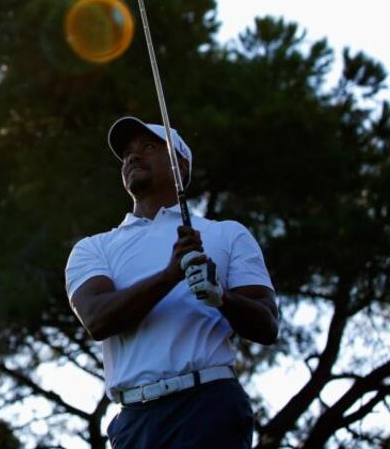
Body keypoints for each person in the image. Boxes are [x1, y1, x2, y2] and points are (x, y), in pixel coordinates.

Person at [65, 116, 279, 449]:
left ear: (180, 163)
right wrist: (170, 275)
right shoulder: (93, 248)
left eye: (148, 147)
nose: (133, 157)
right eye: (126, 155)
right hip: (135, 419)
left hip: (209, 405)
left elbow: (267, 325)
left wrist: (221, 297)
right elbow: (97, 319)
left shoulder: (227, 233)